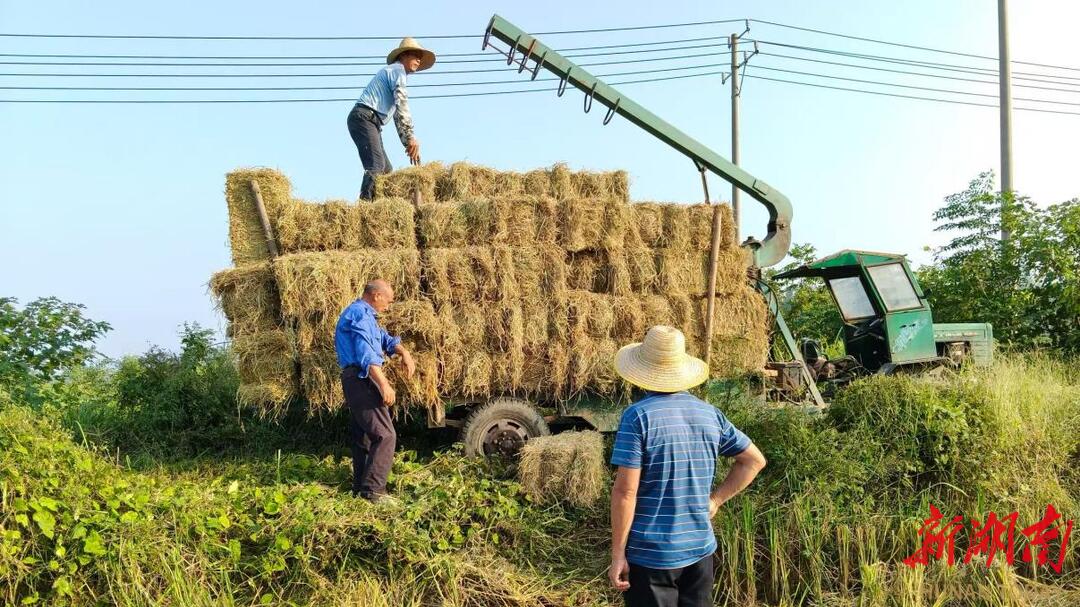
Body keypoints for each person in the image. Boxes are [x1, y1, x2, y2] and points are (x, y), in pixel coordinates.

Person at [608, 325, 767, 607]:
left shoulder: (638, 417)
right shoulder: (709, 414)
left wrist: (618, 553)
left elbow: (625, 492)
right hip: (700, 550)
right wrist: (715, 501)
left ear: (643, 371)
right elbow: (754, 460)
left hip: (651, 556)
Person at [334, 279, 416, 501]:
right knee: (385, 435)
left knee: (364, 437)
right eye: (388, 301)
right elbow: (367, 354)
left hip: (355, 379)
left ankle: (360, 489)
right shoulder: (360, 314)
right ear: (376, 295)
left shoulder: (365, 316)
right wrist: (383, 384)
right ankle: (374, 492)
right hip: (361, 378)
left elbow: (384, 340)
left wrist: (404, 352)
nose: (388, 306)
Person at [347, 37, 436, 200]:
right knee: (376, 165)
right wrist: (411, 137)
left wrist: (407, 142)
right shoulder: (397, 70)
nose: (418, 60)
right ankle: (366, 207)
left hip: (371, 122)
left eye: (420, 57)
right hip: (364, 117)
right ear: (403, 55)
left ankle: (383, 206)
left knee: (386, 170)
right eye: (415, 55)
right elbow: (402, 104)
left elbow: (397, 116)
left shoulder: (395, 74)